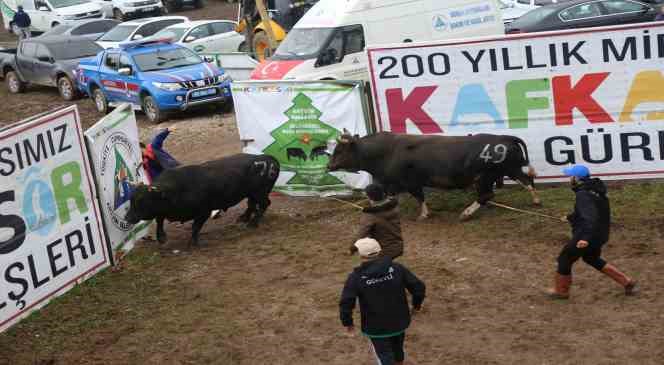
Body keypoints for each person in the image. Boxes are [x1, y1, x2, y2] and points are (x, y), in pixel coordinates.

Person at [547, 165, 637, 299]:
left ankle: (561, 291)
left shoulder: (583, 195)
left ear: (577, 179)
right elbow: (593, 212)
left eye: (571, 176)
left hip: (587, 234)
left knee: (564, 258)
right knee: (591, 258)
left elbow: (590, 216)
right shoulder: (596, 190)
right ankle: (627, 282)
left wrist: (585, 238)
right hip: (600, 234)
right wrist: (570, 217)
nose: (569, 179)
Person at [340, 238, 426, 365]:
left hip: (376, 328)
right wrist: (416, 305)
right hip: (399, 321)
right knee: (398, 349)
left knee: (384, 356)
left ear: (361, 255)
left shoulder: (356, 278)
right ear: (379, 251)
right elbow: (418, 287)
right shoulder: (397, 268)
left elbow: (347, 301)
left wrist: (348, 322)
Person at [350, 184, 404, 260]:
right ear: (383, 193)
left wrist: (352, 248)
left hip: (383, 251)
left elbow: (362, 234)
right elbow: (386, 203)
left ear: (369, 197)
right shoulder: (393, 206)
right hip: (398, 246)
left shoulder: (371, 215)